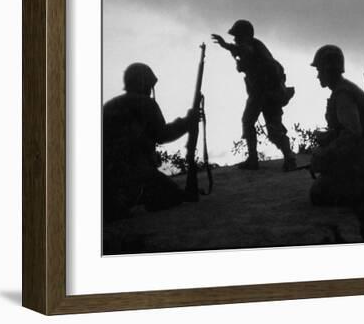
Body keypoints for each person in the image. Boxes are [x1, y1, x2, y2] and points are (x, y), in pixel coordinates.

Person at [103, 63, 198, 222]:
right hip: (132, 172)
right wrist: (187, 123)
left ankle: (117, 201)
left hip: (104, 175)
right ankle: (132, 197)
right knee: (173, 195)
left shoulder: (109, 105)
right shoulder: (145, 103)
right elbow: (162, 135)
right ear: (144, 83)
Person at [211, 19, 296, 171]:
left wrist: (228, 46)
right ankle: (286, 157)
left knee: (252, 122)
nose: (235, 39)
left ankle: (257, 159)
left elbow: (246, 53)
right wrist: (226, 46)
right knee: (271, 128)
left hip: (262, 93)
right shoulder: (253, 47)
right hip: (268, 93)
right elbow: (240, 51)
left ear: (246, 36)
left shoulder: (251, 48)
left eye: (238, 36)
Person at [309, 45, 364, 206]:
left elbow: (353, 132)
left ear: (328, 70)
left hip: (360, 158)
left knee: (320, 194)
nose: (318, 76)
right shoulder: (343, 89)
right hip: (361, 153)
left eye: (319, 70)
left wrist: (326, 152)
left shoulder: (343, 94)